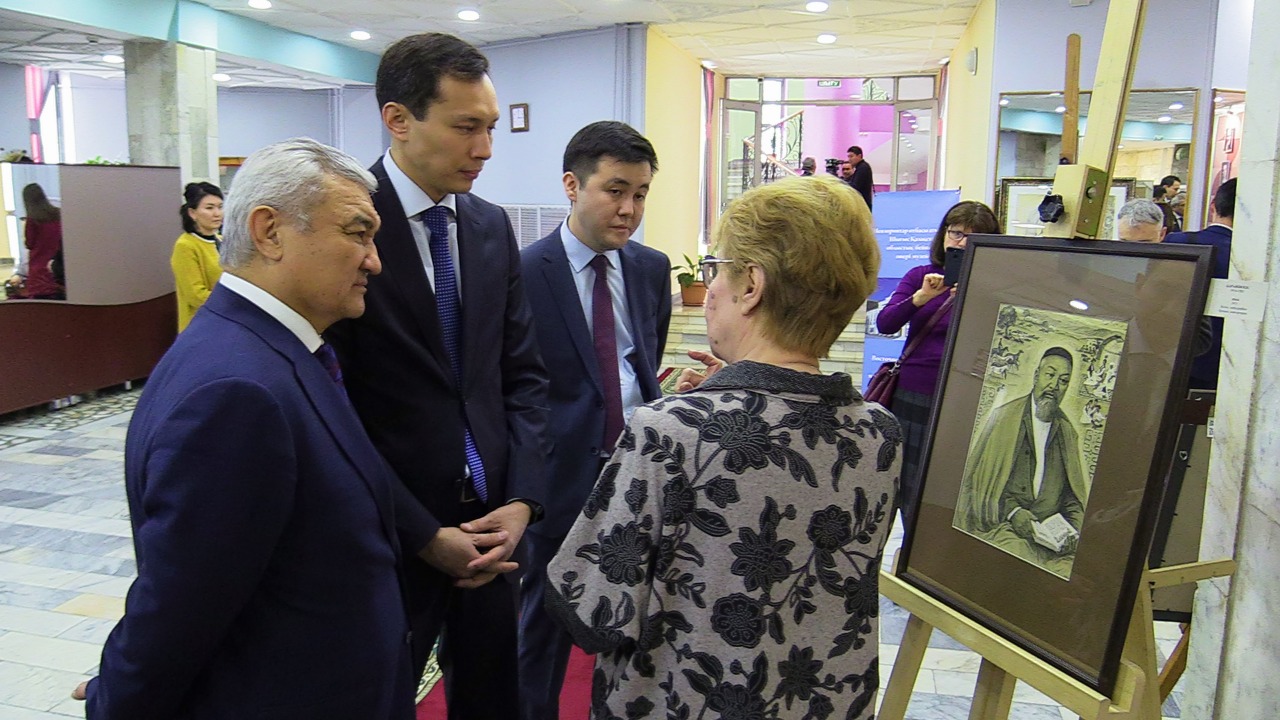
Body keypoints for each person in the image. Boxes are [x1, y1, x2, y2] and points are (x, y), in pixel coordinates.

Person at [78, 138, 414, 719]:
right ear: (269, 231)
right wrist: (115, 701)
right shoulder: (237, 391)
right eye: (357, 233)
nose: (374, 260)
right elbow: (180, 603)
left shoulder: (276, 351)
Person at [545, 175, 900, 720]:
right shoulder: (879, 434)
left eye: (717, 269)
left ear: (751, 284)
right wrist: (730, 392)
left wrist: (709, 406)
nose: (708, 290)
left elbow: (591, 610)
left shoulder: (670, 430)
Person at [324, 32, 549, 719]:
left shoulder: (489, 227)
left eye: (490, 127)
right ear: (398, 119)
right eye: (465, 127)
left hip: (491, 529)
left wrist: (522, 501)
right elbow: (332, 412)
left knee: (492, 697)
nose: (485, 148)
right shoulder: (344, 228)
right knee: (379, 698)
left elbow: (523, 376)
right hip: (388, 533)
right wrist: (424, 534)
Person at [517, 120, 670, 720]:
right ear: (572, 186)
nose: (629, 209)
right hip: (558, 476)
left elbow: (641, 363)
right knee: (543, 625)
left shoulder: (650, 268)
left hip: (639, 473)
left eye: (640, 194)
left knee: (637, 618)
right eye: (615, 190)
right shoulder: (525, 271)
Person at [875, 201, 1000, 531]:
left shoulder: (995, 287)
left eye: (973, 237)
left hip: (966, 401)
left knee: (949, 489)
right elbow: (885, 323)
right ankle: (902, 550)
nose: (962, 243)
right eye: (956, 233)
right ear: (943, 234)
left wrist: (977, 296)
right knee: (903, 485)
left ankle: (928, 550)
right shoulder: (921, 276)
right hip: (915, 394)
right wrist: (922, 297)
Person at [1166, 178, 1235, 389]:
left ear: (1213, 206)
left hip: (1171, 356)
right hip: (1224, 367)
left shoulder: (1175, 242)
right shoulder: (1250, 259)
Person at [172, 181, 225, 331]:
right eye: (209, 208)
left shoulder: (222, 240)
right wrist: (234, 302)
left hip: (225, 321)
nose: (217, 213)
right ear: (192, 213)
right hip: (202, 326)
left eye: (220, 207)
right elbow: (195, 295)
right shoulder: (186, 245)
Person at [19, 183, 64, 300]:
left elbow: (29, 243)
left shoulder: (32, 220)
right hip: (58, 263)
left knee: (40, 301)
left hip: (38, 265)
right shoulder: (58, 214)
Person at [846, 144, 874, 210]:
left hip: (862, 205)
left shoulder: (863, 168)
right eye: (848, 157)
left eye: (851, 156)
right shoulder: (861, 167)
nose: (849, 159)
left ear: (859, 156)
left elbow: (855, 186)